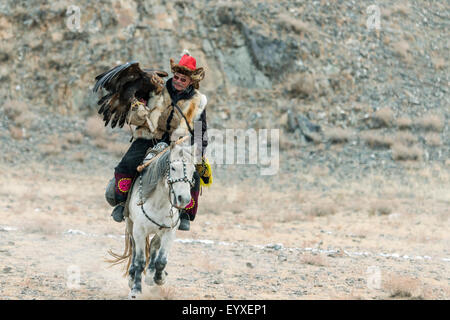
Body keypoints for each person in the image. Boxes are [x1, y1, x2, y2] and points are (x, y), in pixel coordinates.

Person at [111, 51, 209, 231]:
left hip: (178, 143)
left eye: (183, 79)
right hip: (150, 136)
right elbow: (138, 101)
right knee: (127, 164)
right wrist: (138, 107)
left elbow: (201, 129)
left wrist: (198, 151)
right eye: (177, 77)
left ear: (191, 82)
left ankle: (185, 214)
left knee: (193, 175)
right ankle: (121, 202)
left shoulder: (198, 101)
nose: (179, 81)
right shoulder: (157, 87)